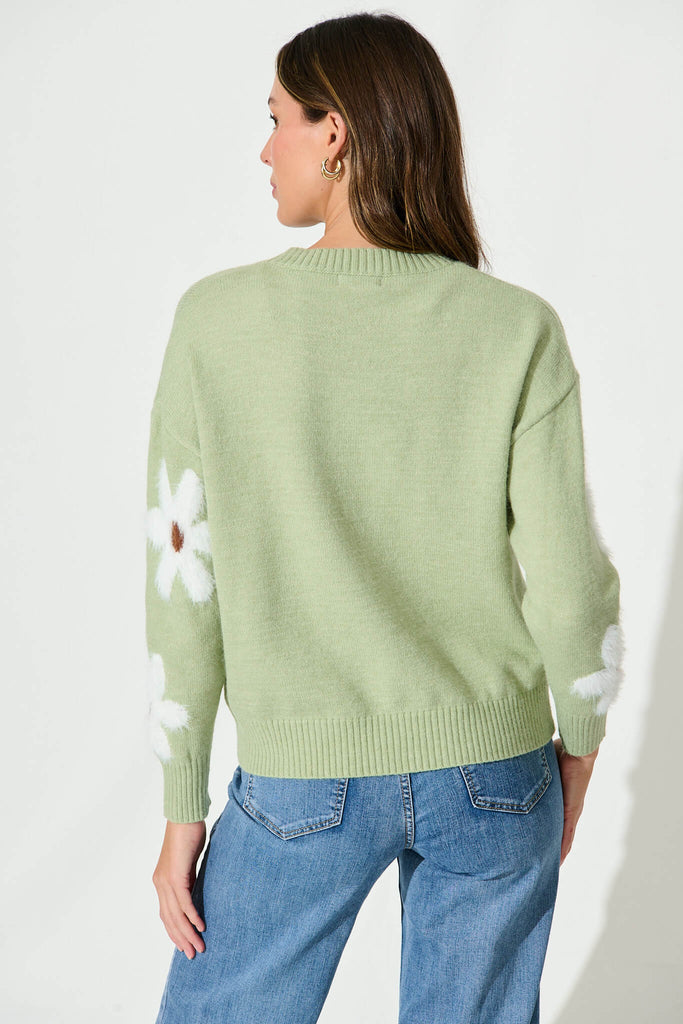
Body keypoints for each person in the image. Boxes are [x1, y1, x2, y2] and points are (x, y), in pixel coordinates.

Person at [146, 12, 624, 1024]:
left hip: (299, 777)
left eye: (276, 119)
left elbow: (183, 575)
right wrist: (577, 748)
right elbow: (571, 582)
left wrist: (182, 803)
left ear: (334, 132)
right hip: (496, 774)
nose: (264, 149)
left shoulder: (216, 324)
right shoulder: (516, 328)